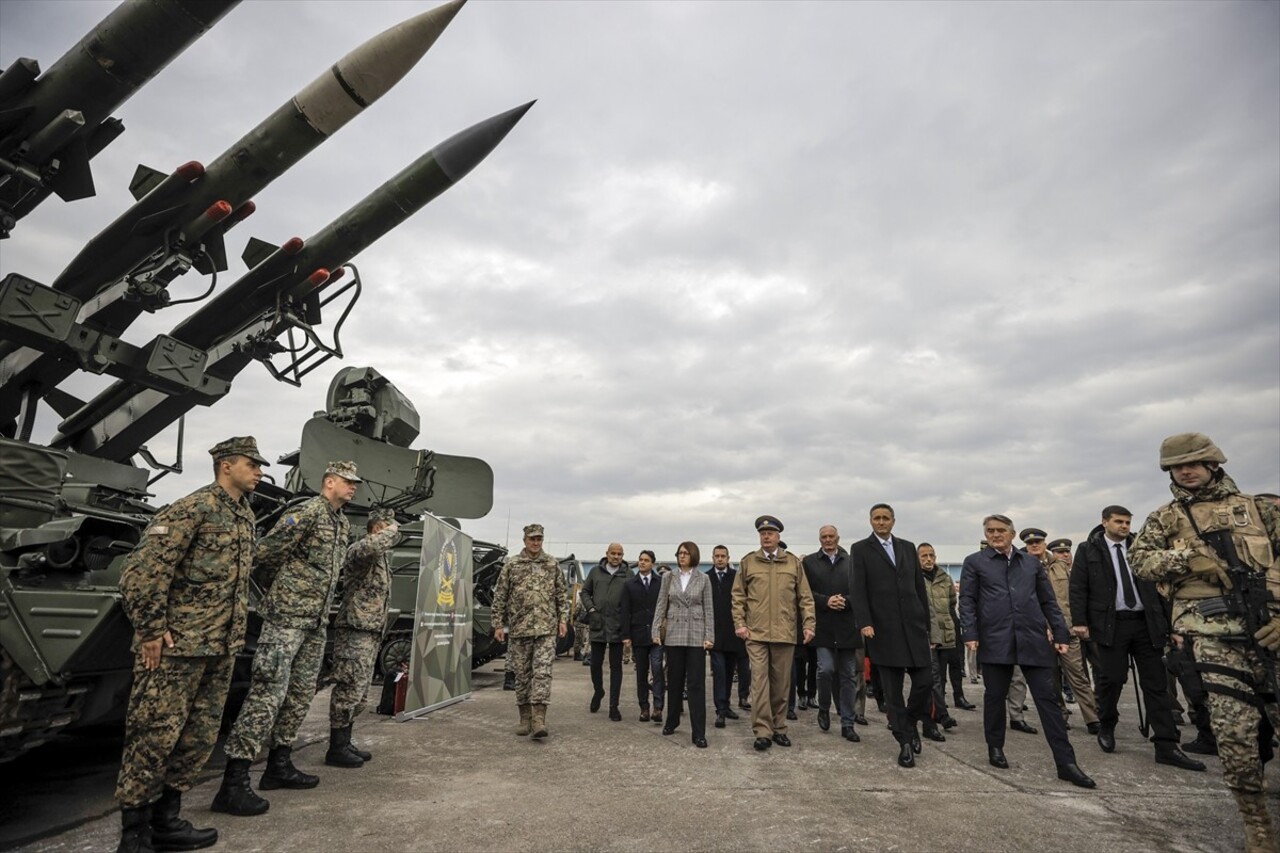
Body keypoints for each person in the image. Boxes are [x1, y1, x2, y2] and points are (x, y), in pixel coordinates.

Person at [1130, 433, 1280, 850]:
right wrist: (1186, 558)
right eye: (1178, 466)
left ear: (1214, 463)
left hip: (1269, 630)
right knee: (1234, 736)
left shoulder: (1258, 509)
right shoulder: (1164, 518)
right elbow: (1140, 560)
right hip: (1211, 636)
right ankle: (1258, 826)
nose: (1186, 470)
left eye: (1194, 463)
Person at [115, 437, 265, 852]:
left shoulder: (244, 515)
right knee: (152, 738)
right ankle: (134, 835)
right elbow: (141, 573)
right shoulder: (193, 507)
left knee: (197, 739)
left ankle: (168, 821)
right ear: (225, 465)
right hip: (178, 648)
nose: (259, 471)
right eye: (251, 464)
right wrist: (149, 629)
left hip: (219, 647)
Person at [214, 460, 359, 815]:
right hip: (287, 618)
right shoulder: (308, 511)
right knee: (267, 693)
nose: (353, 487)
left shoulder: (340, 522)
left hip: (315, 622)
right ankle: (233, 782)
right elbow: (265, 553)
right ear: (329, 482)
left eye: (355, 482)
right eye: (347, 481)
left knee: (298, 695)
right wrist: (285, 593)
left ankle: (279, 766)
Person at [959, 514, 1095, 788]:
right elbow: (967, 600)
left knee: (1048, 701)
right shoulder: (975, 562)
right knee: (995, 697)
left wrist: (1059, 633)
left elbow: (1048, 601)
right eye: (990, 531)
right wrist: (970, 633)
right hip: (996, 640)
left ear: (1012, 533)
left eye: (1000, 530)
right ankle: (995, 747)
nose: (995, 535)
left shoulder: (1031, 564)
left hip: (1033, 640)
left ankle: (1066, 762)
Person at [1069, 505, 1204, 772]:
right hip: (1111, 625)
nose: (1124, 526)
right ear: (1104, 522)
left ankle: (1166, 744)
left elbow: (1161, 587)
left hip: (1145, 623)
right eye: (1119, 521)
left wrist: (1172, 626)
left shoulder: (1142, 550)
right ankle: (1106, 725)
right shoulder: (1088, 549)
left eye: (1128, 522)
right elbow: (1078, 586)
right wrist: (1080, 622)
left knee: (1156, 684)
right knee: (1111, 680)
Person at [851, 503, 941, 768]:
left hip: (913, 628)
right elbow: (858, 588)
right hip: (883, 628)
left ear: (893, 521)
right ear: (870, 521)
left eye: (885, 518)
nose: (881, 522)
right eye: (876, 518)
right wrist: (864, 622)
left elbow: (918, 587)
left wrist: (926, 623)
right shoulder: (861, 549)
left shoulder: (907, 547)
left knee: (925, 682)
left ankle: (910, 722)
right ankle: (903, 740)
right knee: (893, 692)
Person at [325, 508, 401, 768]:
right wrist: (390, 531)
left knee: (360, 692)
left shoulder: (380, 559)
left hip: (370, 631)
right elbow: (370, 547)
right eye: (389, 528)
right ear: (377, 529)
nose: (395, 533)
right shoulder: (360, 551)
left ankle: (345, 741)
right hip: (355, 630)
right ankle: (336, 747)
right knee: (348, 687)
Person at [732, 516, 815, 751]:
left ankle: (779, 727)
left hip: (784, 632)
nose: (766, 536)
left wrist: (809, 624)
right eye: (762, 533)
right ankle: (762, 731)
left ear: (778, 536)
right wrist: (740, 623)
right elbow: (738, 596)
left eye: (770, 533)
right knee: (759, 683)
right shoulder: (749, 562)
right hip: (755, 633)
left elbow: (805, 597)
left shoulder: (792, 563)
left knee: (780, 685)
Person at [491, 523, 569, 739]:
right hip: (519, 629)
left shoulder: (552, 564)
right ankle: (525, 717)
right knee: (522, 675)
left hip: (546, 628)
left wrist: (563, 619)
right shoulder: (512, 565)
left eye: (539, 539)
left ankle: (539, 719)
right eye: (532, 539)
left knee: (543, 673)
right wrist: (498, 624)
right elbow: (500, 596)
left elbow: (561, 595)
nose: (536, 543)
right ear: (525, 540)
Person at [802, 526, 863, 742]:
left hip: (847, 626)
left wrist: (846, 601)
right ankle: (824, 707)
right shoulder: (809, 562)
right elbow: (805, 592)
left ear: (838, 538)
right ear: (819, 539)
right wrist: (825, 601)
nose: (828, 540)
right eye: (824, 537)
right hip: (823, 626)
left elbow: (861, 590)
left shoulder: (852, 561)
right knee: (825, 669)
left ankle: (848, 722)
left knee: (847, 675)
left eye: (831, 536)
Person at [652, 542, 715, 747]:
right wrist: (655, 630)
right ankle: (672, 720)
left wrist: (709, 636)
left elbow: (709, 610)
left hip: (696, 635)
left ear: (694, 555)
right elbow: (661, 603)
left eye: (686, 553)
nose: (682, 556)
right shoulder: (668, 577)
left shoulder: (704, 579)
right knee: (675, 680)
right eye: (679, 553)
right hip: (674, 634)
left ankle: (699, 732)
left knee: (696, 684)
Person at [1042, 536, 1100, 735]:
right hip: (1044, 633)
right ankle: (1060, 715)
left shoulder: (1067, 569)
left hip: (1068, 631)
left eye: (1067, 551)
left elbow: (1077, 598)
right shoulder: (1031, 569)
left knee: (1078, 675)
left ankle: (1092, 718)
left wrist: (1080, 623)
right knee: (1051, 679)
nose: (1065, 555)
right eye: (1060, 552)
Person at [579, 543, 632, 720]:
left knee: (616, 667)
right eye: (613, 553)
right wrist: (591, 609)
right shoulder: (595, 572)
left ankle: (613, 706)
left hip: (617, 626)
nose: (616, 557)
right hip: (598, 624)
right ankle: (598, 690)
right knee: (595, 664)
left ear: (623, 555)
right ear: (606, 554)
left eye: (619, 554)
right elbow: (584, 592)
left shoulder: (628, 574)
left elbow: (633, 597)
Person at [919, 543, 961, 729]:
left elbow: (952, 604)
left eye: (931, 555)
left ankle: (935, 711)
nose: (928, 559)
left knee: (941, 677)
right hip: (927, 633)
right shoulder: (915, 578)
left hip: (946, 632)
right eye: (924, 556)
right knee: (933, 676)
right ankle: (942, 715)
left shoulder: (945, 578)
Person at [707, 545, 750, 726]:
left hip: (733, 635)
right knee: (719, 672)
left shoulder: (736, 577)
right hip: (715, 635)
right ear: (713, 558)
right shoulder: (706, 578)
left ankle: (727, 704)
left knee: (729, 672)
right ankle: (720, 710)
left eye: (723, 556)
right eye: (717, 556)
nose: (720, 559)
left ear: (728, 557)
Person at [620, 549, 664, 722]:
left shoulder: (660, 583)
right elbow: (625, 611)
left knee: (658, 669)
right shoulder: (630, 584)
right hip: (638, 634)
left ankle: (658, 707)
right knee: (641, 673)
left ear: (652, 563)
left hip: (657, 635)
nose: (642, 562)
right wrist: (626, 635)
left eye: (646, 560)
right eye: (640, 559)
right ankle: (644, 707)